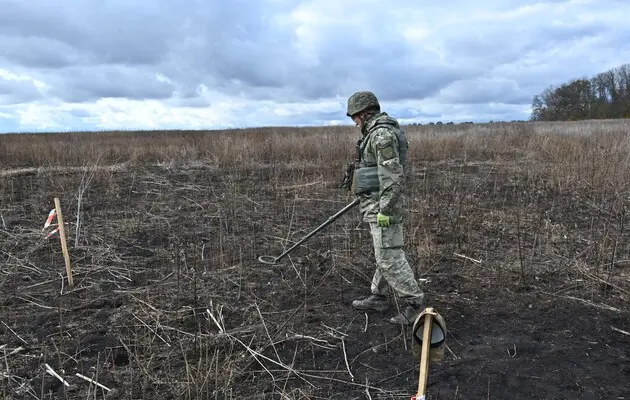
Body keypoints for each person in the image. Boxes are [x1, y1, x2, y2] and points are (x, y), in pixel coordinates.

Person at [345, 90, 425, 325]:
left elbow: (392, 176)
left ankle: (415, 303)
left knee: (389, 256)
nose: (355, 122)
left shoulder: (381, 135)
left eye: (355, 117)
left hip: (384, 206)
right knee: (384, 251)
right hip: (375, 203)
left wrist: (385, 210)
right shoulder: (375, 133)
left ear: (365, 113)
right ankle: (378, 296)